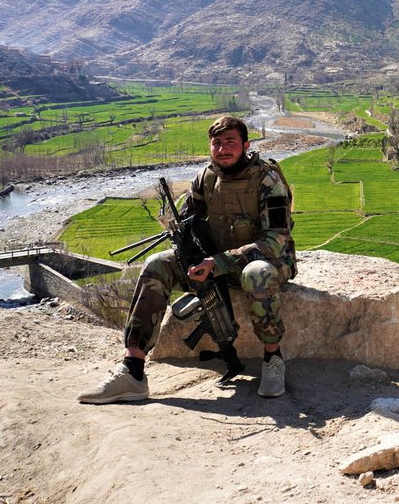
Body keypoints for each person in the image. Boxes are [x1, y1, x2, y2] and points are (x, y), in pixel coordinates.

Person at [78, 116, 296, 403]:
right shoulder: (206, 178)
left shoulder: (267, 179)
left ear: (245, 145)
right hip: (213, 262)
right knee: (156, 264)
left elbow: (276, 240)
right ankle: (133, 369)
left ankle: (273, 358)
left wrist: (218, 262)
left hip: (260, 262)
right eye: (217, 143)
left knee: (256, 273)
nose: (223, 149)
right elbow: (188, 221)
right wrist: (186, 249)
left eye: (230, 142)